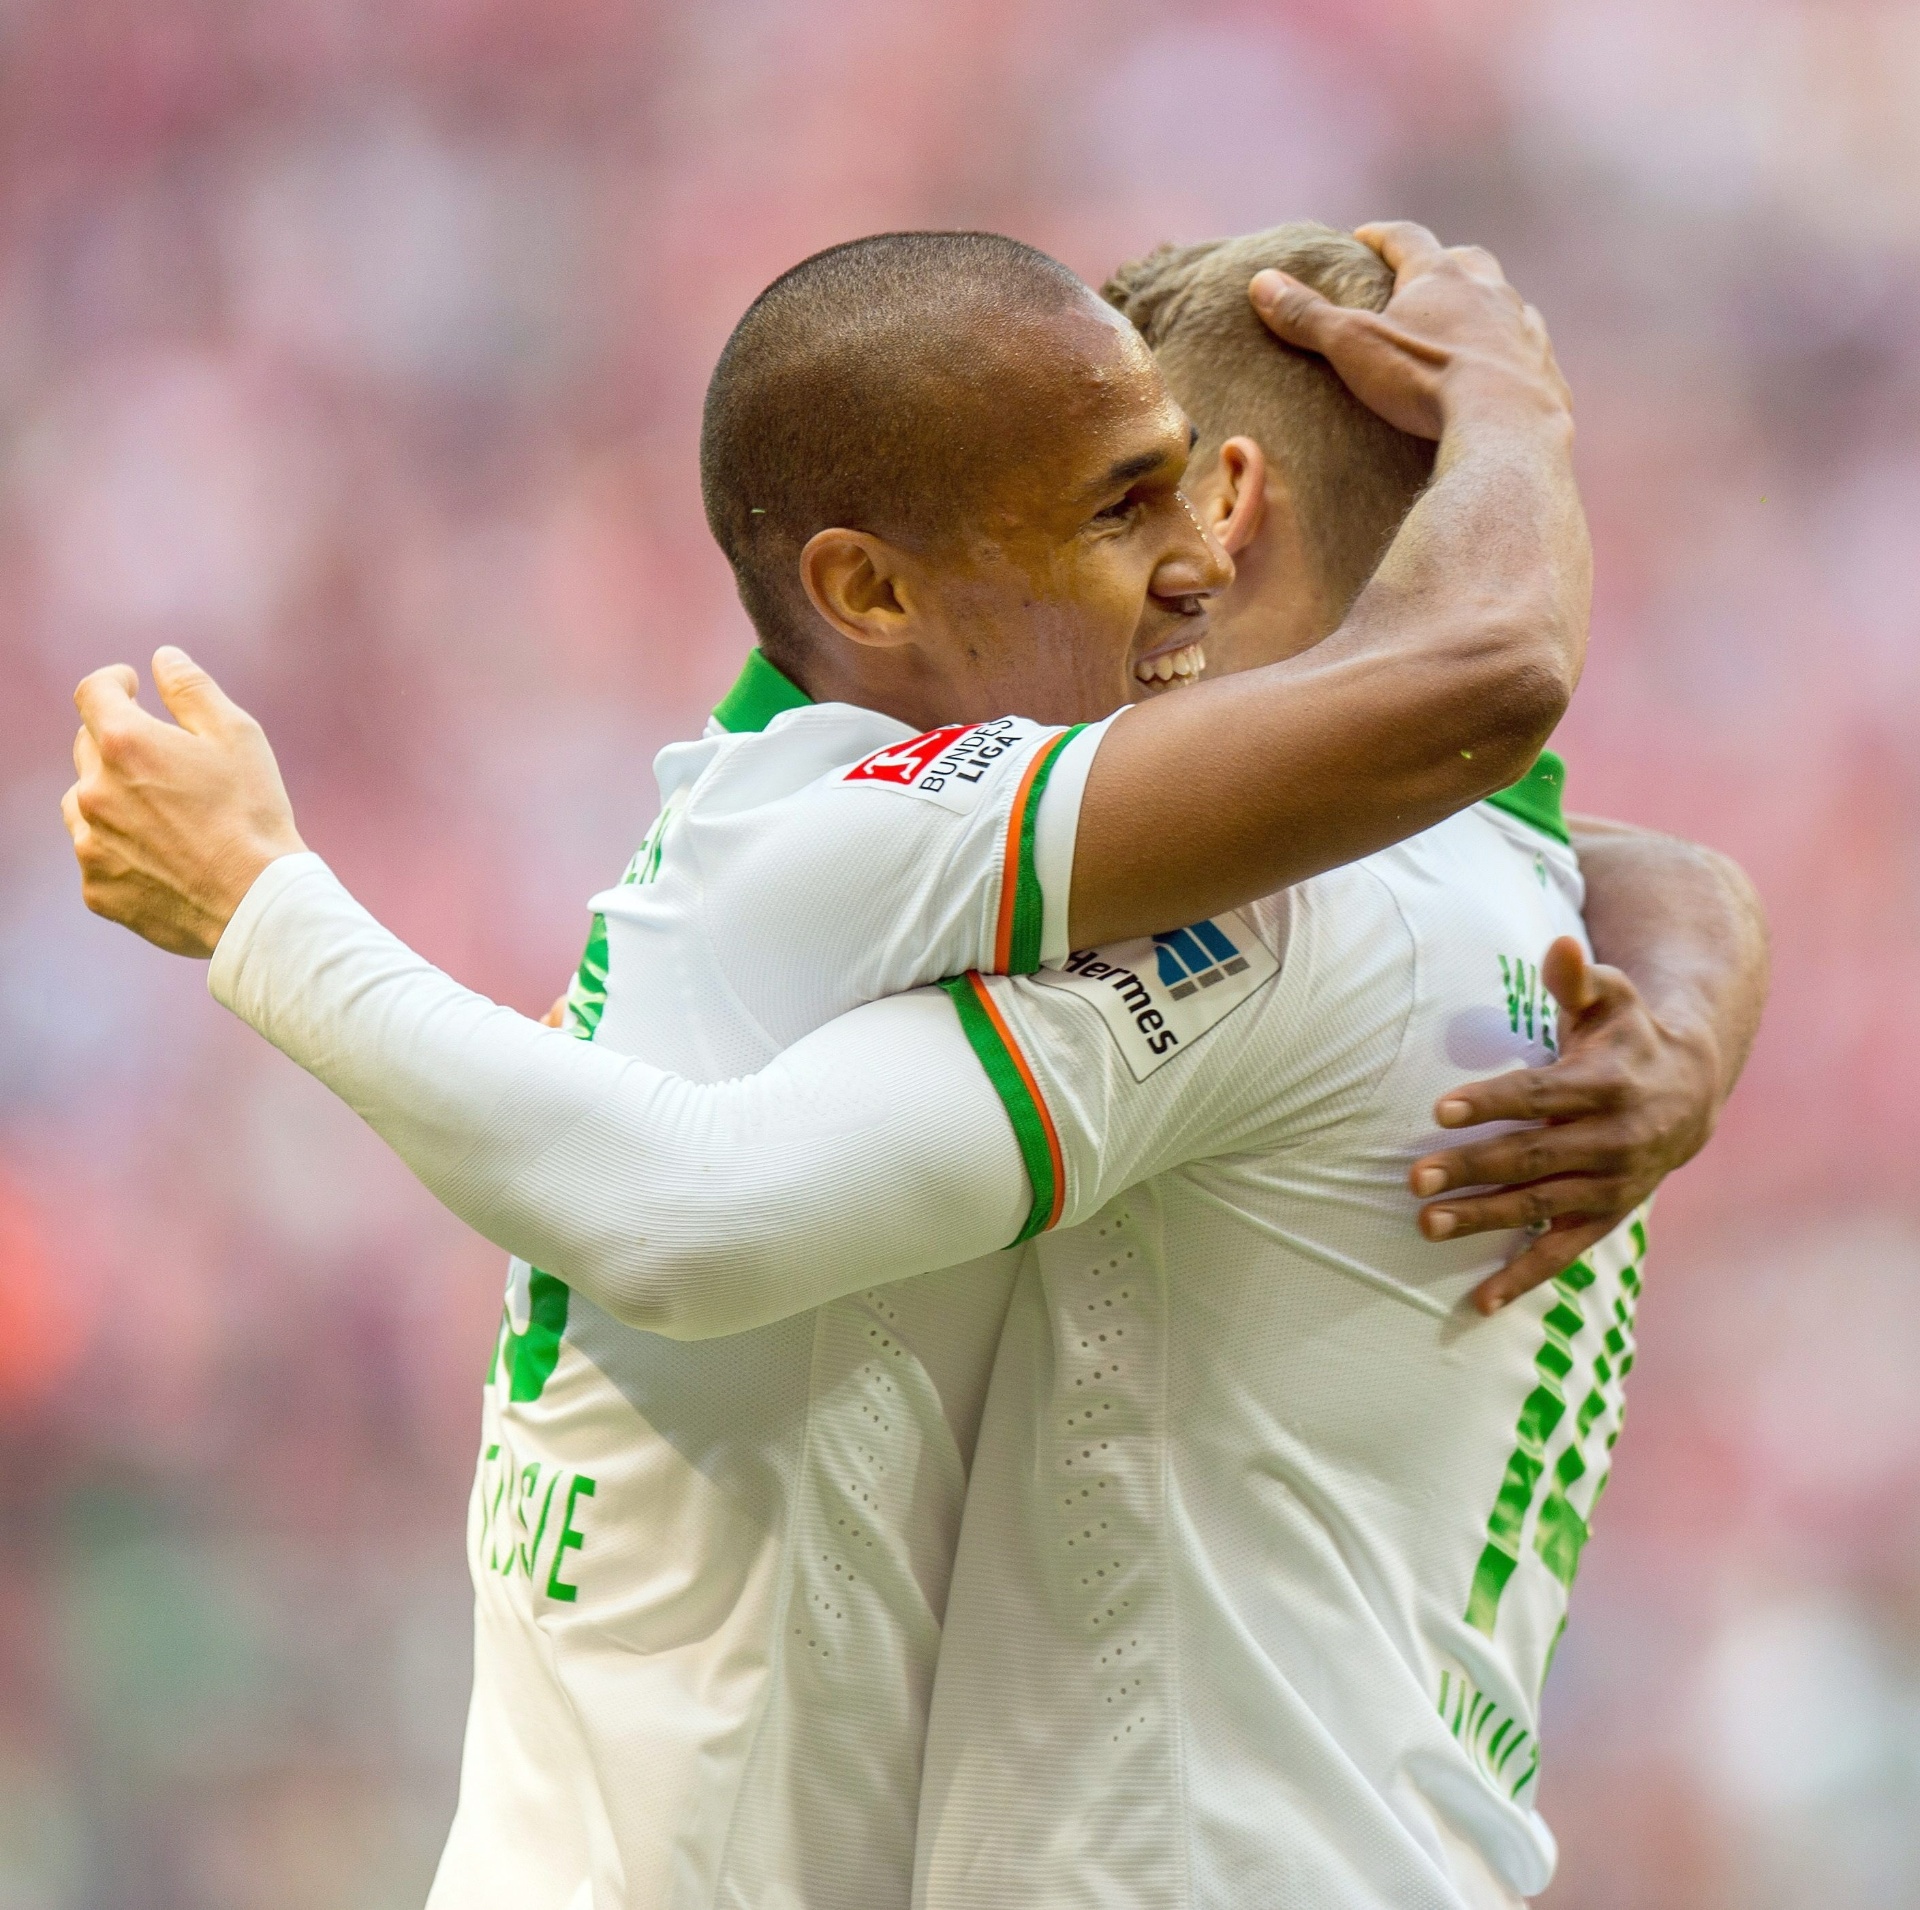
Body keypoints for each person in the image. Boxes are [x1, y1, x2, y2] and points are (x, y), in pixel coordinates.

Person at [62, 225, 1759, 1908]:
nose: (1187, 558)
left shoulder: (1339, 895)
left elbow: (1521, 780)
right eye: (1123, 505)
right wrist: (261, 912)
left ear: (1251, 496)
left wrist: (1700, 971)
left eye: (1185, 492)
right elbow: (681, 1211)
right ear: (870, 589)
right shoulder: (915, 831)